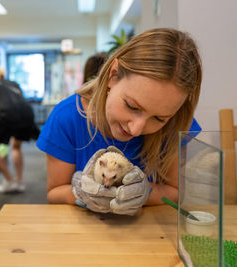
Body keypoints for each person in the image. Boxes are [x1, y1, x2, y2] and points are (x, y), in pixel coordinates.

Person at [37, 28, 202, 215]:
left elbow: (175, 194)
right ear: (113, 75)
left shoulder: (177, 122)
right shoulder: (66, 118)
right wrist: (80, 194)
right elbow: (54, 192)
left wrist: (144, 193)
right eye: (132, 106)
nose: (137, 129)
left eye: (159, 119)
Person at [0, 64, 39, 193]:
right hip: (27, 113)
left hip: (8, 114)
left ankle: (9, 181)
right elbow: (18, 102)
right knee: (16, 146)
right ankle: (19, 182)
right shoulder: (14, 84)